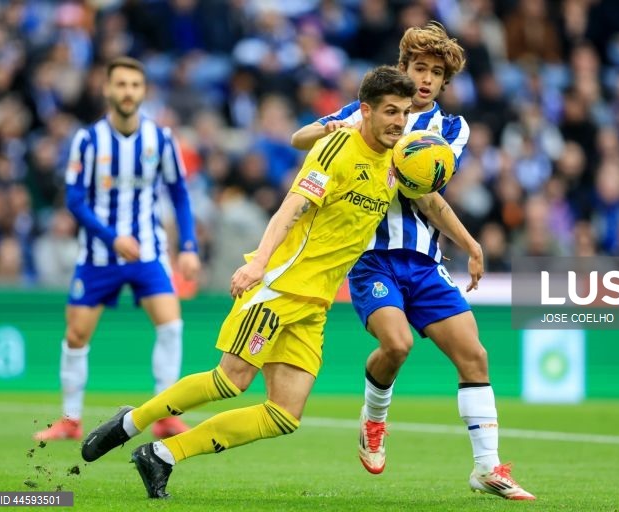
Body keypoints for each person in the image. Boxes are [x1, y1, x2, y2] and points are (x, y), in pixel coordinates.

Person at [79, 66, 421, 499]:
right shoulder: (338, 148)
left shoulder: (398, 160)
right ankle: (130, 422)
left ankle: (161, 455)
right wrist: (259, 263)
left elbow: (430, 198)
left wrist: (468, 243)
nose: (399, 121)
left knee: (284, 415)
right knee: (230, 380)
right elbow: (290, 208)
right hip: (279, 287)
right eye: (391, 111)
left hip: (313, 304)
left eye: (405, 113)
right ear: (366, 111)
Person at [290, 22, 535, 500]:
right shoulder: (370, 110)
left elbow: (424, 190)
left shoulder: (451, 129)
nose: (425, 79)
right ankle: (373, 420)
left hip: (423, 262)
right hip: (370, 258)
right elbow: (301, 138)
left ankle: (487, 468)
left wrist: (470, 244)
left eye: (436, 73)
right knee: (397, 345)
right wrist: (334, 128)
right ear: (403, 69)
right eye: (418, 68)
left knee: (474, 355)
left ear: (445, 83)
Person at [33, 57, 201, 442]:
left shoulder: (160, 139)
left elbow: (179, 194)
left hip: (148, 251)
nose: (128, 92)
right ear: (107, 90)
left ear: (143, 91)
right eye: (121, 85)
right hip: (98, 255)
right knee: (76, 336)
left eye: (135, 85)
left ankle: (164, 413)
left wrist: (188, 247)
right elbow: (75, 200)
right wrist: (112, 238)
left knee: (171, 325)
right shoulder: (88, 140)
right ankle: (70, 421)